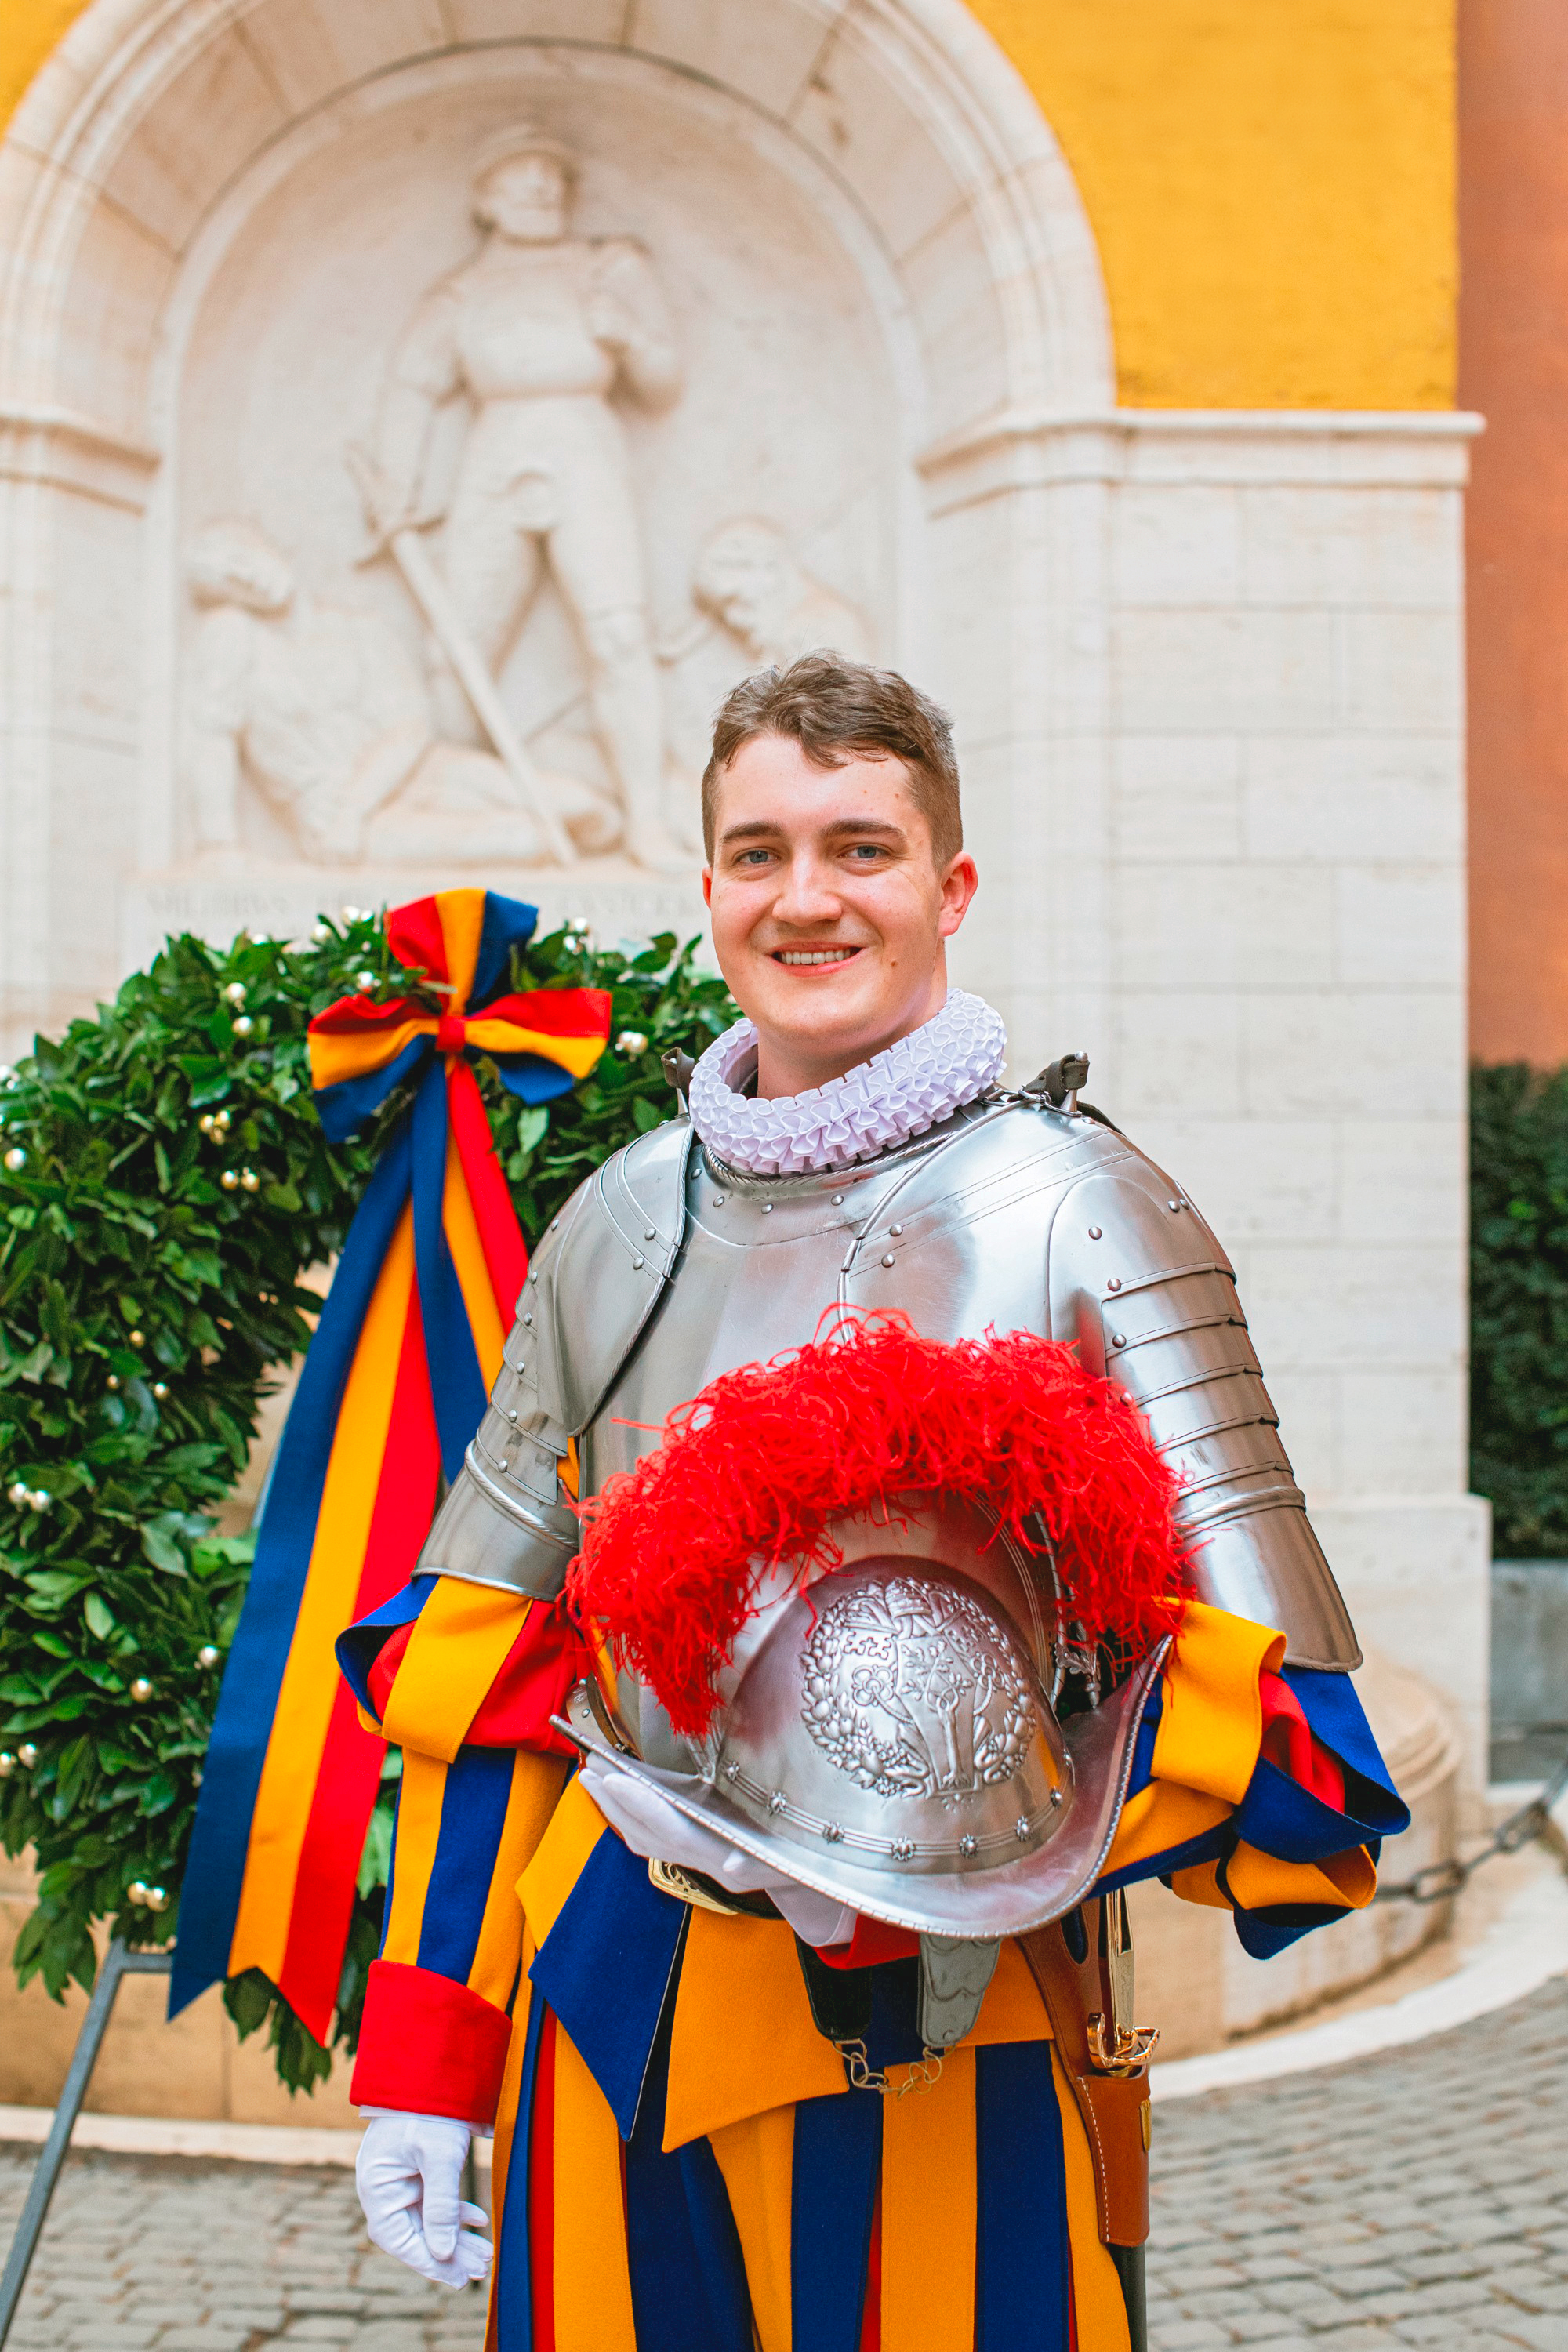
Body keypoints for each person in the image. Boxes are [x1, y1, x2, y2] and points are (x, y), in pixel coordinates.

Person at [339, 655, 1406, 2350]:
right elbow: (480, 1686)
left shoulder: (1086, 1211)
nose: (805, 897)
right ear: (706, 893)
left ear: (948, 888)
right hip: (602, 2023)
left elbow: (1292, 1748)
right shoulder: (613, 1226)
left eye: (860, 848)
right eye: (758, 852)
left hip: (941, 2046)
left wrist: (982, 1828)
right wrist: (426, 2063)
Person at [360, 126, 685, 871]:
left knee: (618, 638)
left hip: (584, 446)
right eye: (519, 176)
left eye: (552, 175)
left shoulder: (609, 270)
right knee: (458, 651)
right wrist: (396, 484)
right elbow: (413, 385)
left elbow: (664, 380)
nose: (540, 187)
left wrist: (629, 336)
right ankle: (458, 809)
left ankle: (643, 822)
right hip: (495, 455)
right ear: (486, 198)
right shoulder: (464, 293)